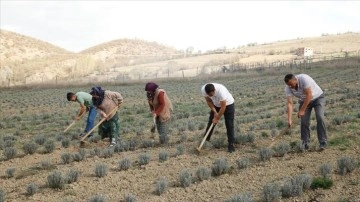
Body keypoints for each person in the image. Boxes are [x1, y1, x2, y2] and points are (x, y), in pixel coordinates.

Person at [284, 73, 327, 150]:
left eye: (291, 84)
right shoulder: (288, 88)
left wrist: (302, 110)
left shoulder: (304, 79)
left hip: (317, 98)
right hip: (304, 101)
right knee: (304, 122)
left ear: (295, 80)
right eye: (288, 85)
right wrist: (289, 119)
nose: (290, 86)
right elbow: (290, 103)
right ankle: (305, 144)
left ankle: (323, 142)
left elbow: (309, 95)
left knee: (320, 117)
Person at [201, 83, 235, 153]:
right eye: (209, 95)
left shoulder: (221, 91)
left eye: (212, 94)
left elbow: (223, 107)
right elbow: (209, 101)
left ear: (214, 90)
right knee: (211, 122)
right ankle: (205, 141)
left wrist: (217, 118)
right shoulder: (203, 90)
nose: (211, 96)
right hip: (216, 105)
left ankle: (231, 144)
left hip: (228, 105)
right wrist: (215, 112)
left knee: (229, 124)